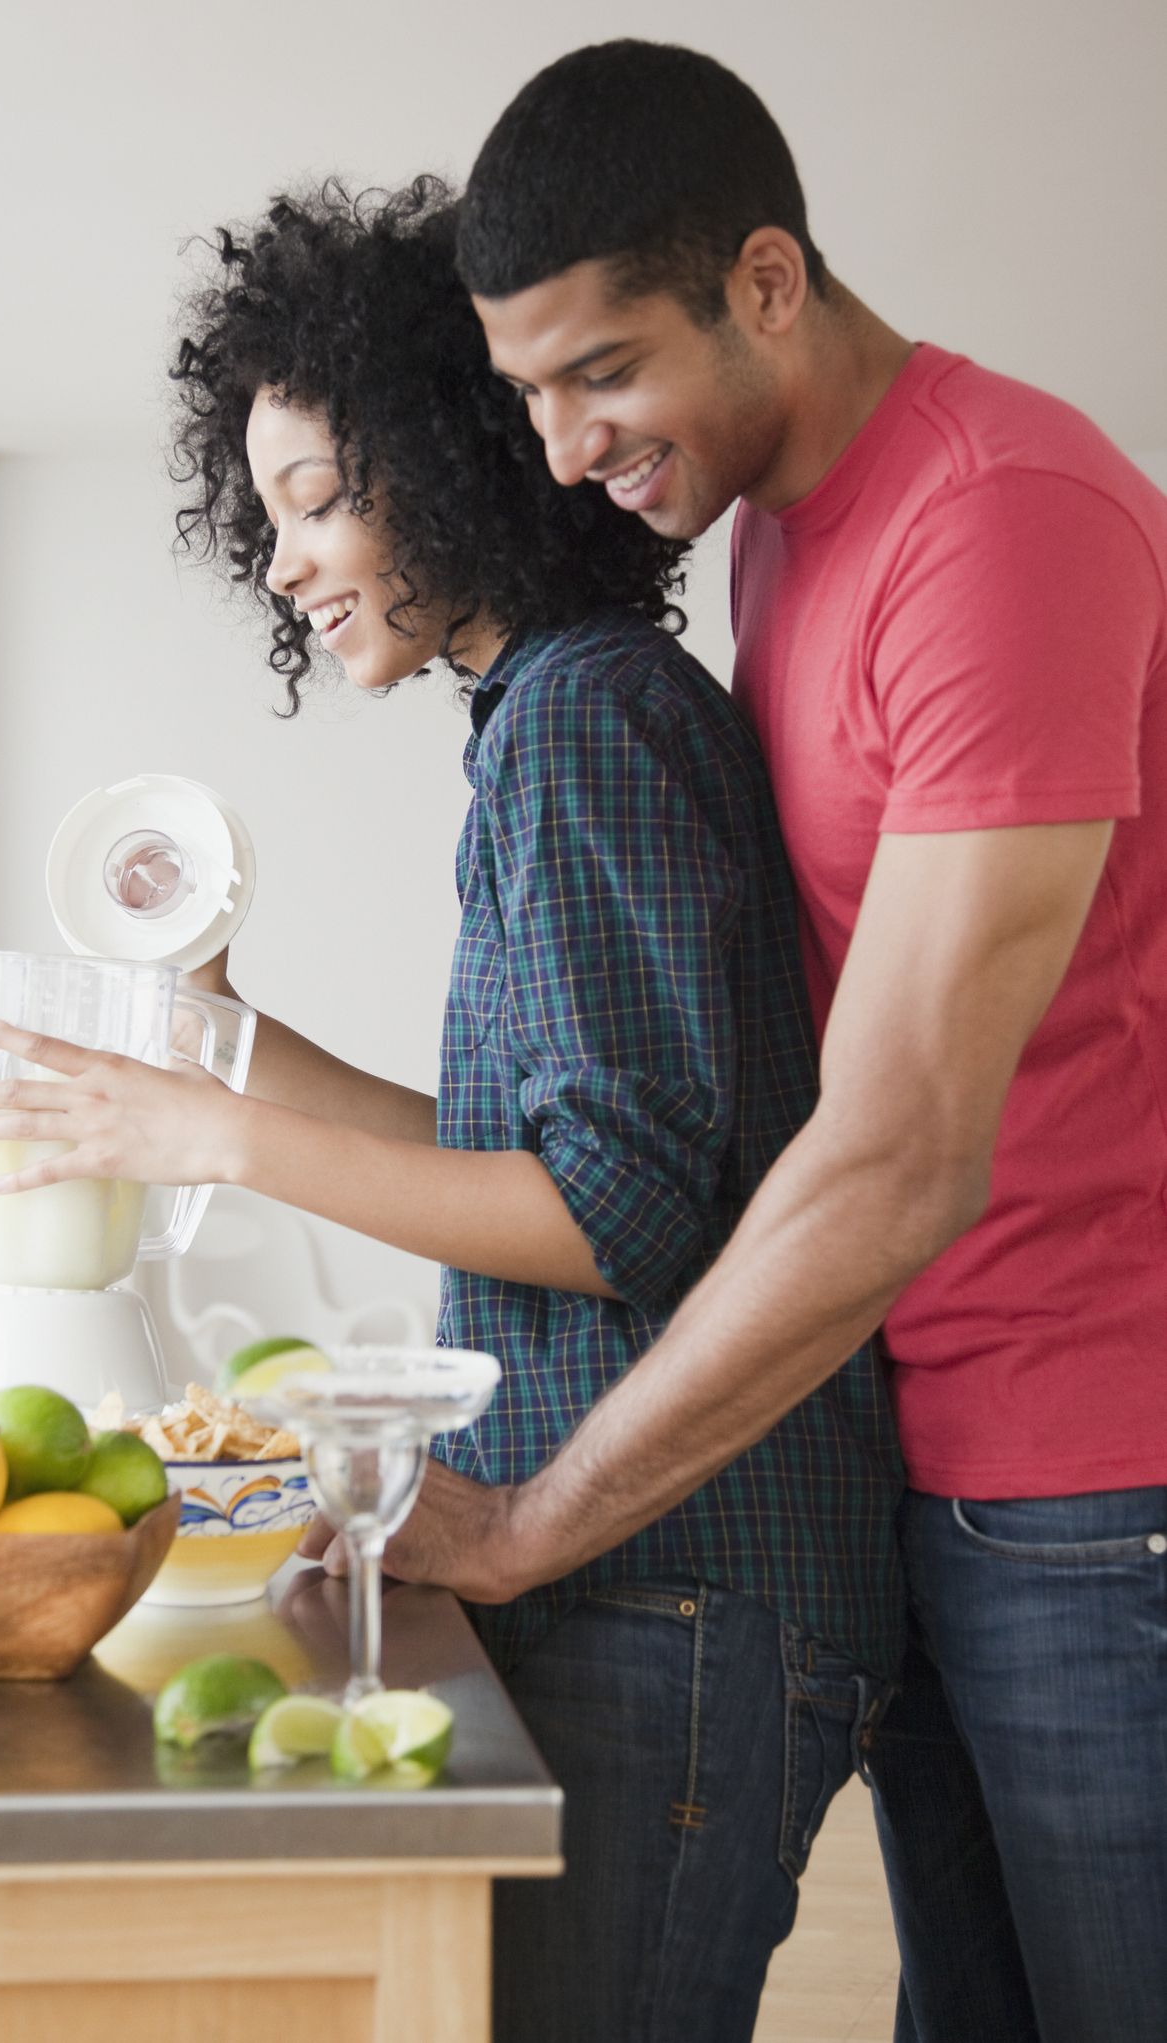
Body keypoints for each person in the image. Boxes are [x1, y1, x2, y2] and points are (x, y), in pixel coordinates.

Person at [0, 179, 904, 2040]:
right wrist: (216, 1046)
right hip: (666, 1582)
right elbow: (534, 1155)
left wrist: (205, 1141)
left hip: (682, 1587)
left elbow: (616, 1219)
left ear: (458, 464)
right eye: (272, 518)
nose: (290, 567)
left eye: (320, 502)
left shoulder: (587, 723)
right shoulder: (553, 717)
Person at [352, 40, 1167, 2043]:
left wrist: (540, 1519)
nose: (556, 448)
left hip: (1100, 1470)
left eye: (600, 371)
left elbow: (897, 1150)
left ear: (767, 280)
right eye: (526, 388)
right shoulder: (780, 527)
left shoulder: (997, 517)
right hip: (942, 1450)